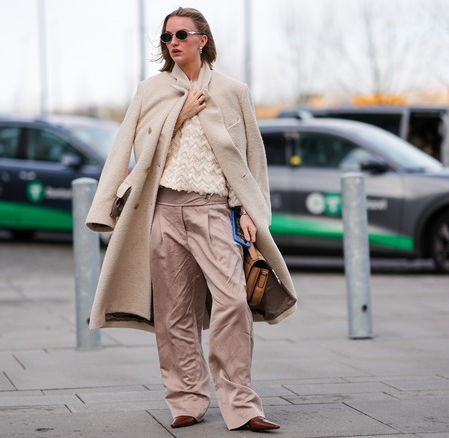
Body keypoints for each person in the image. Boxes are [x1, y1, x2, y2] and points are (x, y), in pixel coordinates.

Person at [85, 7, 297, 432]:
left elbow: (249, 156)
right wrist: (177, 117)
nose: (173, 42)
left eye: (182, 34)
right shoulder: (150, 91)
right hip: (163, 210)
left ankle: (242, 404)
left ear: (203, 38)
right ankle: (186, 399)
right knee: (174, 312)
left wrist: (247, 209)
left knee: (233, 300)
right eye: (166, 37)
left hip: (214, 209)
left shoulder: (234, 91)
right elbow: (131, 148)